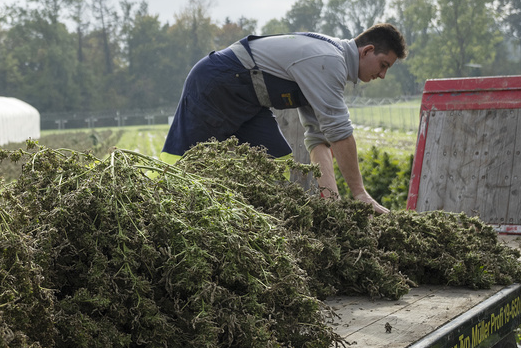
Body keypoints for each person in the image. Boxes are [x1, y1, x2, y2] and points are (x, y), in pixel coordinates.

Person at [163, 23, 407, 214]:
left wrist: (333, 205)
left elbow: (318, 138)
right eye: (383, 65)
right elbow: (341, 133)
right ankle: (151, 199)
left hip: (247, 98)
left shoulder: (330, 62)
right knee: (185, 160)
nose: (383, 75)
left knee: (277, 160)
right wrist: (360, 193)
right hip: (216, 83)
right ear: (368, 51)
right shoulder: (330, 62)